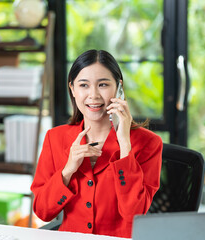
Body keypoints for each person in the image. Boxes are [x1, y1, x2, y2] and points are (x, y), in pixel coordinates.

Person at [30, 49, 162, 238]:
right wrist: (67, 171)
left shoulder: (149, 143)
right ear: (72, 89)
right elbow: (42, 211)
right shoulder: (55, 138)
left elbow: (135, 214)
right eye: (83, 85)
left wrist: (124, 144)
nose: (93, 95)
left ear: (119, 88)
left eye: (103, 85)